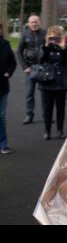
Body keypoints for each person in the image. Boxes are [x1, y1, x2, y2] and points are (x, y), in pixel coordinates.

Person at [38, 26, 67, 140]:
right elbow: (40, 60)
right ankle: (47, 131)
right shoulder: (44, 46)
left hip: (61, 82)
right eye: (52, 36)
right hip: (47, 82)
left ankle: (60, 130)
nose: (54, 39)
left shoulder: (65, 46)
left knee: (61, 108)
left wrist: (63, 48)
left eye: (57, 37)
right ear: (48, 36)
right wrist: (46, 46)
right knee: (47, 109)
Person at [17, 14, 46, 124]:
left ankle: (46, 115)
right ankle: (29, 114)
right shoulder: (25, 35)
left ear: (40, 22)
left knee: (45, 93)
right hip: (30, 68)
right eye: (32, 22)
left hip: (44, 68)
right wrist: (25, 66)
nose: (34, 24)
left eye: (36, 21)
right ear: (29, 24)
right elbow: (19, 52)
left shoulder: (45, 33)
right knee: (29, 93)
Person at [0, 24, 17, 154]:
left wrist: (8, 73)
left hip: (3, 86)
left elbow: (13, 62)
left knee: (1, 116)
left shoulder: (5, 44)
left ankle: (3, 144)